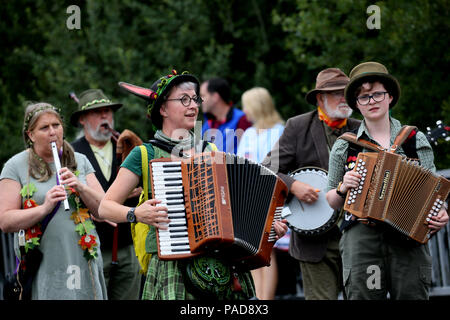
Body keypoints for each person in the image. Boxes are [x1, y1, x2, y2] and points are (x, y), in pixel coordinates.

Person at [325, 61, 449, 300]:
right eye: (364, 97)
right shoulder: (345, 144)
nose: (371, 101)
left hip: (408, 237)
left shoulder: (414, 138)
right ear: (356, 105)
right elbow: (330, 199)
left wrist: (442, 211)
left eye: (377, 94)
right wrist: (343, 188)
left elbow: (435, 189)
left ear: (389, 97)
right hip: (362, 238)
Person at [262, 68, 360, 300]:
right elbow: (266, 168)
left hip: (357, 237)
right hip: (314, 243)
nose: (343, 98)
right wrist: (294, 185)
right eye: (336, 93)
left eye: (346, 92)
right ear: (320, 98)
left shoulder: (361, 128)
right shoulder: (298, 127)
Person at [0, 102, 107, 299]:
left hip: (83, 257)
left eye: (56, 125)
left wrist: (81, 188)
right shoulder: (15, 166)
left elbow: (104, 210)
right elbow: (5, 221)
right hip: (45, 261)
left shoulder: (79, 160)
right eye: (44, 127)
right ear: (31, 135)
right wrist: (44, 208)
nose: (52, 132)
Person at [70, 89, 141, 300]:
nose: (105, 117)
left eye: (108, 111)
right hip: (91, 248)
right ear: (82, 119)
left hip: (129, 247)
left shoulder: (129, 148)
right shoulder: (72, 153)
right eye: (97, 112)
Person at [236, 87, 285, 300]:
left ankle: (267, 299)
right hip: (249, 198)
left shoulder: (280, 131)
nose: (244, 110)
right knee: (253, 250)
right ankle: (258, 299)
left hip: (271, 196)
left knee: (268, 250)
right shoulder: (248, 133)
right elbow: (239, 165)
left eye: (247, 104)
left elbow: (282, 166)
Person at [200, 77, 252, 153]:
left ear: (215, 97)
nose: (200, 100)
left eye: (203, 96)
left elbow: (249, 155)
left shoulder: (242, 120)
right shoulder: (207, 124)